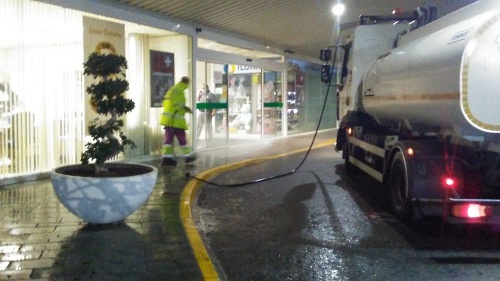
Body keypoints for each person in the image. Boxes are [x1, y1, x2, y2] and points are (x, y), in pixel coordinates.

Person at [160, 76, 196, 166]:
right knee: (182, 139)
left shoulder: (172, 89)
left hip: (169, 120)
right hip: (175, 120)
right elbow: (178, 106)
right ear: (186, 83)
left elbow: (167, 104)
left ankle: (166, 159)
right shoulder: (179, 91)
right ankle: (188, 156)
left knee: (168, 141)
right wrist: (186, 109)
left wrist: (185, 109)